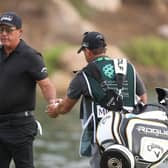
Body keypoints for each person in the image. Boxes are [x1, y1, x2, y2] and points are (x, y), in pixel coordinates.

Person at [47, 31, 147, 168]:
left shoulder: (83, 76)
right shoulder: (128, 68)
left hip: (103, 140)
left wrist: (55, 110)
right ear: (104, 49)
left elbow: (65, 107)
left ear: (87, 51)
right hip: (132, 139)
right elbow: (143, 100)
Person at [0, 12, 56, 168]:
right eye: (1, 29)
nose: (4, 34)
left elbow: (46, 84)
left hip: (21, 127)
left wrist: (52, 102)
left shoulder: (30, 56)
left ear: (20, 32)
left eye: (8, 30)